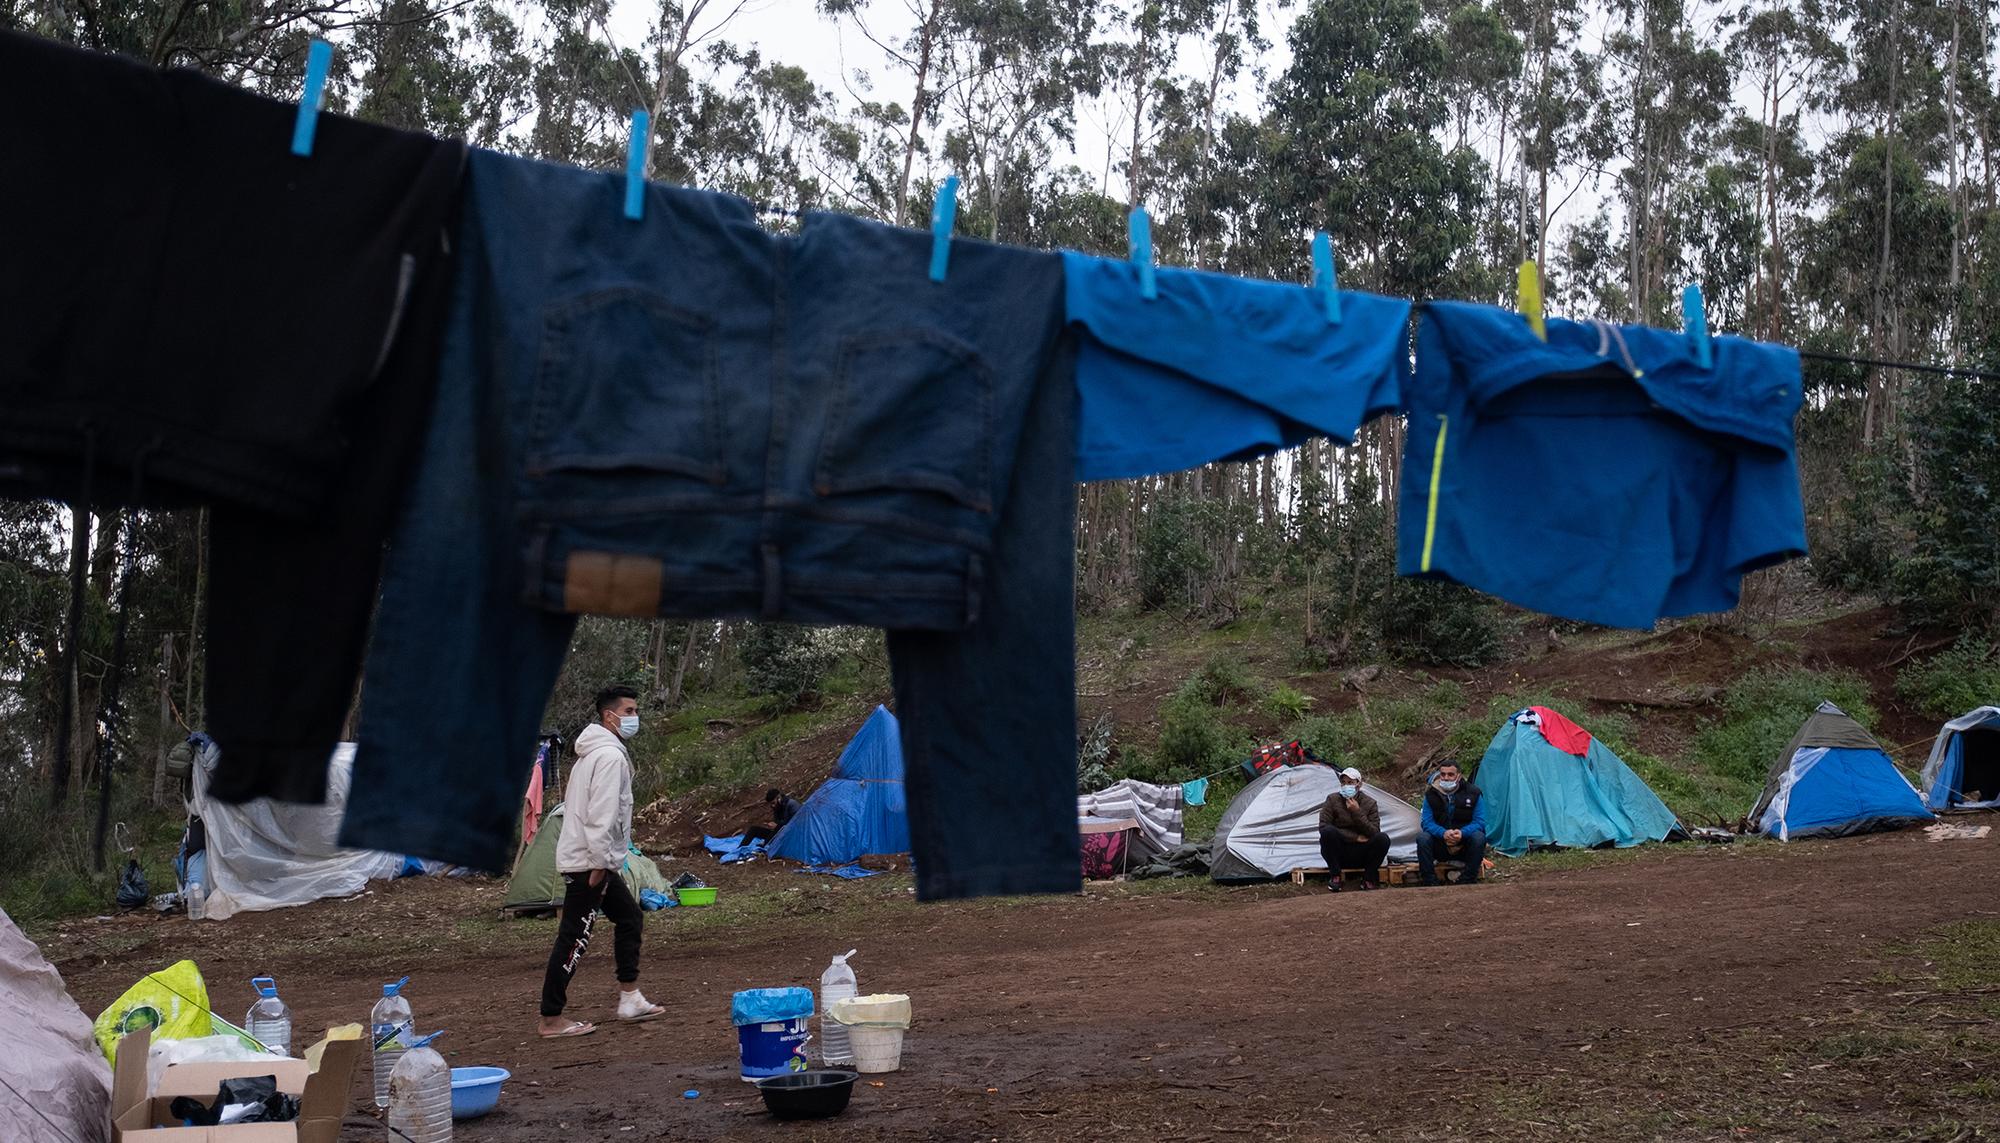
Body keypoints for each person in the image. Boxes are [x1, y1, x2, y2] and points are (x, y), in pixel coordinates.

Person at [537, 686, 665, 1038]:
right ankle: (551, 1019)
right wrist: (601, 862)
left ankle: (630, 997)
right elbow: (603, 815)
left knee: (629, 916)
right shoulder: (608, 757)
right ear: (610, 716)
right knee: (575, 937)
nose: (634, 717)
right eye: (629, 711)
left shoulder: (592, 755)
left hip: (593, 858)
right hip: (589, 863)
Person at [1318, 766, 1390, 891]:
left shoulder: (1370, 803)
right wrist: (1354, 837)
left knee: (1383, 839)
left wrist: (1357, 812)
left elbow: (1374, 831)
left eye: (1350, 782)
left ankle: (1368, 878)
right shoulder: (1332, 799)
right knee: (1328, 832)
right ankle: (1335, 876)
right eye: (1344, 782)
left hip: (1362, 852)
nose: (1346, 786)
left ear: (1359, 784)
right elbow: (1323, 826)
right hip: (1340, 850)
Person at [1417, 760, 1487, 886]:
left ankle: (1468, 880)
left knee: (1479, 837)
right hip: (1440, 843)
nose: (1446, 778)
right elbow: (1426, 822)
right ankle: (1430, 881)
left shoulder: (1474, 793)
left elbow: (1480, 821)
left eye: (1450, 775)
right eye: (1443, 774)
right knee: (1422, 838)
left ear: (1458, 776)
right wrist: (1443, 833)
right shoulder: (1430, 795)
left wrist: (1462, 833)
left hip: (1464, 844)